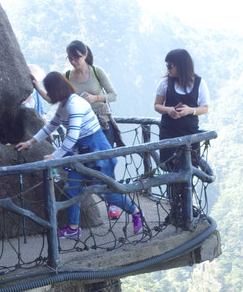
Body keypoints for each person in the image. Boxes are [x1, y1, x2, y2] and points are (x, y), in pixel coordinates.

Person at [17, 72, 143, 237]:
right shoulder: (63, 105)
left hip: (97, 152)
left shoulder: (74, 104)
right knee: (72, 189)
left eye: (49, 90)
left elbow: (72, 137)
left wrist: (54, 156)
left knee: (105, 191)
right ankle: (73, 228)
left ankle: (135, 212)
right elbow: (51, 127)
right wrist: (29, 142)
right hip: (80, 153)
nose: (49, 94)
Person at [154, 49, 211, 225]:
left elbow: (205, 107)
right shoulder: (165, 83)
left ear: (180, 65)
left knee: (187, 170)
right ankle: (175, 209)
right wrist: (168, 110)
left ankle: (184, 211)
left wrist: (189, 110)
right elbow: (157, 105)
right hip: (169, 132)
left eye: (170, 65)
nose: (168, 69)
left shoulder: (199, 83)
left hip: (189, 135)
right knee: (172, 171)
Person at [32, 40, 123, 147]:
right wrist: (37, 87)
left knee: (104, 159)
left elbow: (113, 95)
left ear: (85, 55)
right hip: (80, 127)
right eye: (70, 58)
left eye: (76, 57)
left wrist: (95, 98)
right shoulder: (67, 76)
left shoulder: (96, 72)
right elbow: (53, 98)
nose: (73, 61)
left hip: (102, 124)